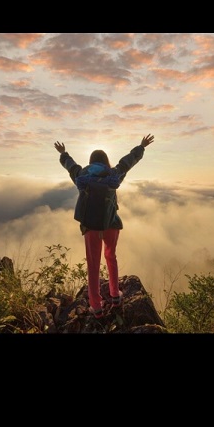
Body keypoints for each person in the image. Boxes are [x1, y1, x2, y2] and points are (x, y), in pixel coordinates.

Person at [54, 135, 155, 319]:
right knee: (111, 256)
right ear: (106, 161)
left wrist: (63, 153)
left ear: (91, 161)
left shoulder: (82, 175)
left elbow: (70, 165)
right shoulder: (113, 174)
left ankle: (96, 306)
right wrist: (141, 146)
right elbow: (128, 162)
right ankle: (115, 296)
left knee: (93, 264)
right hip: (111, 222)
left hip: (91, 226)